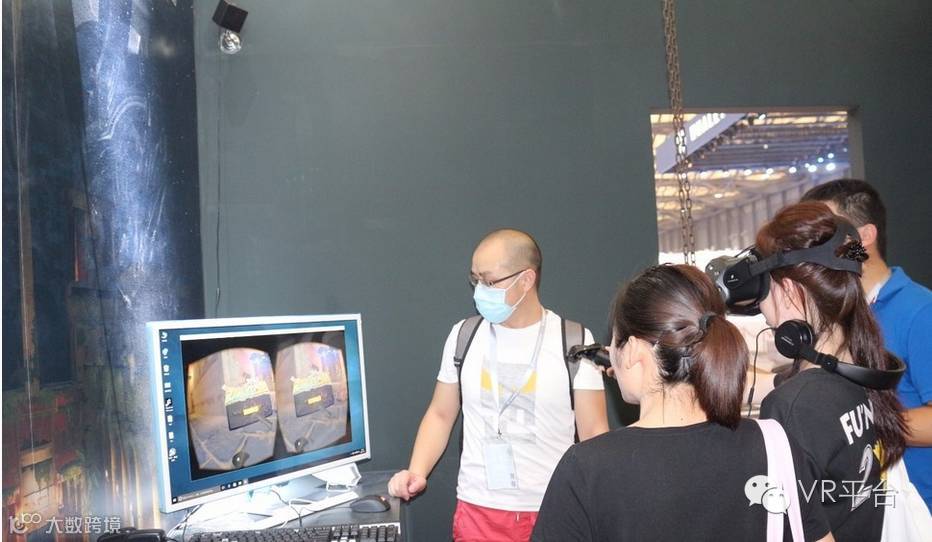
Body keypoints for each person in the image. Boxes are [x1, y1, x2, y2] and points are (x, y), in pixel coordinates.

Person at [532, 264, 832, 541]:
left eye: (614, 340)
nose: (610, 352)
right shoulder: (774, 445)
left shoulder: (587, 469)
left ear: (633, 349)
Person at [388, 229, 609, 542]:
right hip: (478, 511)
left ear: (526, 279)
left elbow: (594, 431)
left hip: (554, 509)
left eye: (490, 281)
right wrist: (417, 471)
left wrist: (603, 501)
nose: (480, 290)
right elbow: (441, 413)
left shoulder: (573, 340)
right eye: (475, 279)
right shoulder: (463, 336)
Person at [754, 202, 908, 540]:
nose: (762, 308)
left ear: (789, 291)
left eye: (764, 288)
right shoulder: (862, 371)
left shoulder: (792, 407)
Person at [802, 179, 932, 512]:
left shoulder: (920, 311)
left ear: (864, 237)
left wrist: (853, 419)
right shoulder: (839, 315)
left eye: (827, 232)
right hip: (864, 509)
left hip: (916, 513)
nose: (814, 245)